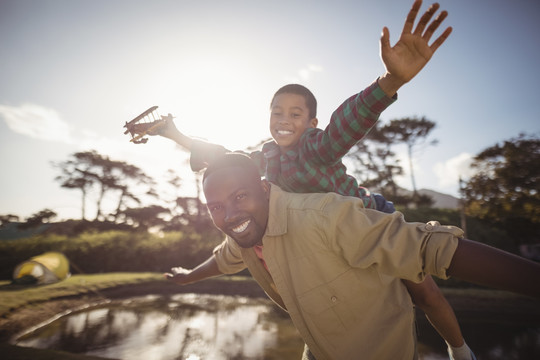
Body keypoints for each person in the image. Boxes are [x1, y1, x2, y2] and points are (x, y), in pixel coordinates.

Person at [145, 1, 473, 358]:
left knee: (425, 293)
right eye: (277, 112)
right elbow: (223, 157)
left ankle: (459, 349)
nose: (284, 119)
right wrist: (173, 133)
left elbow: (348, 123)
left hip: (367, 218)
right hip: (320, 244)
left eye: (295, 113)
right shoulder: (265, 157)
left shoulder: (318, 147)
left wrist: (390, 81)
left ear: (311, 123)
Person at [165, 152, 540, 360]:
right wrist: (186, 277)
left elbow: (429, 247)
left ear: (264, 188)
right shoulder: (243, 239)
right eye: (215, 206)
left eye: (240, 197)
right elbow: (222, 258)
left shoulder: (324, 215)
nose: (229, 215)